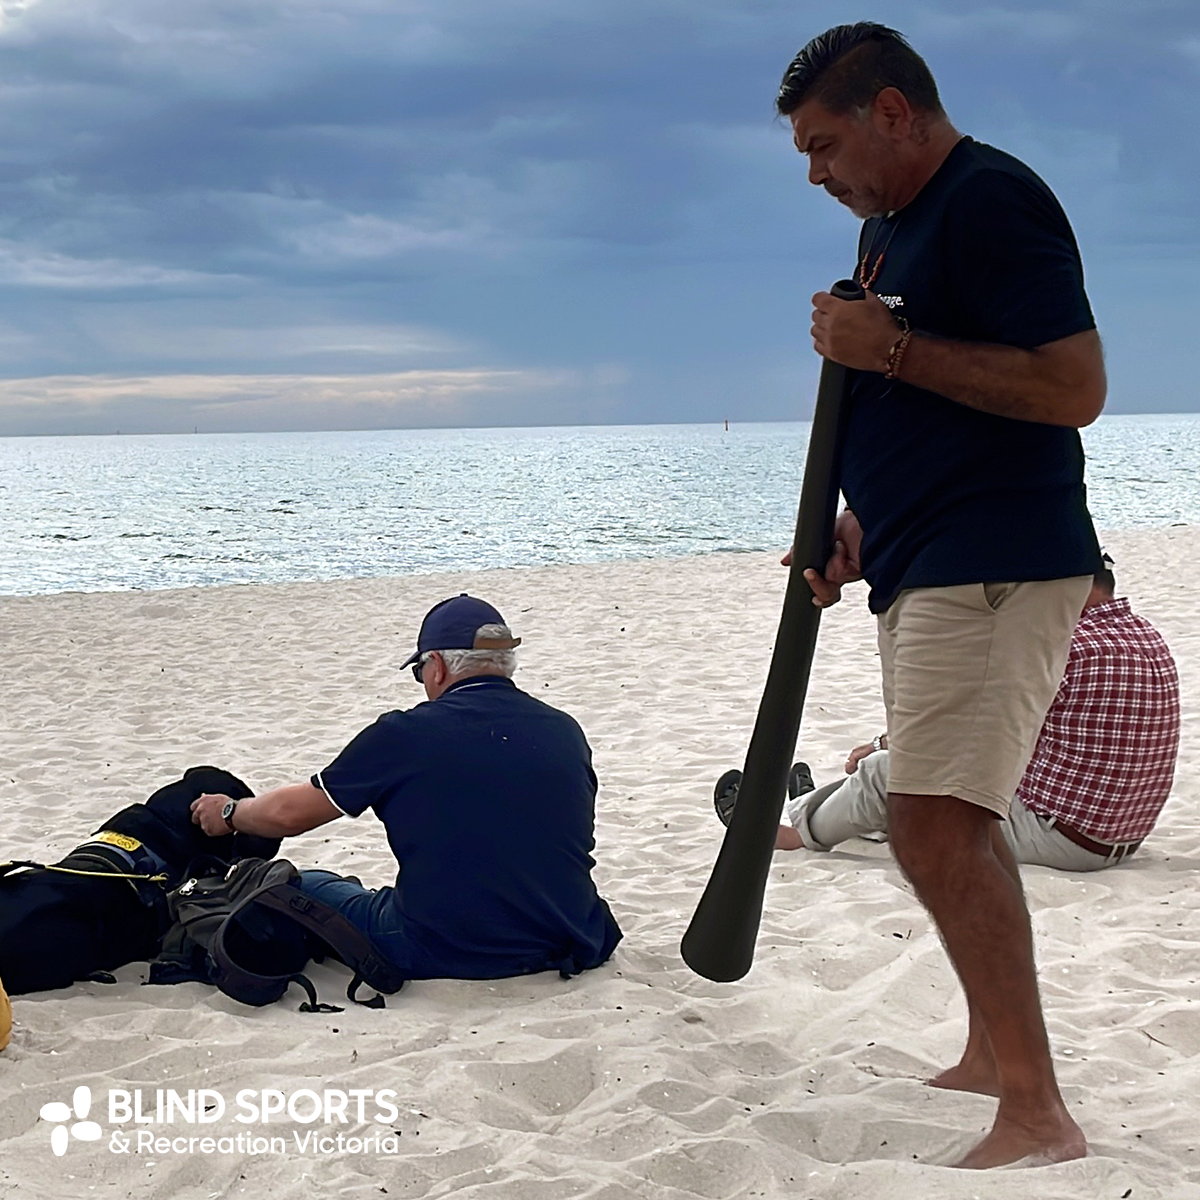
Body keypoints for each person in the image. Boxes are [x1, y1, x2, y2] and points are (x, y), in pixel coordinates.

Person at [776, 23, 1106, 1167]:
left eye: (824, 145)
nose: (816, 173)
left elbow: (1075, 388)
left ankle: (1036, 1110)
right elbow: (926, 422)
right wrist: (860, 529)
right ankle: (990, 1057)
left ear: (893, 113)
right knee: (947, 825)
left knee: (931, 824)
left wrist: (894, 351)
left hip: (999, 563)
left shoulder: (991, 201)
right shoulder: (889, 229)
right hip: (929, 560)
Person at [191, 594, 622, 983]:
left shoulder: (407, 734)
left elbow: (291, 815)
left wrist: (230, 814)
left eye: (419, 672)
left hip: (446, 948)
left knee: (308, 886)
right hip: (567, 936)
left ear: (435, 665)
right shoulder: (565, 730)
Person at [763, 563, 1180, 867]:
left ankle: (800, 834)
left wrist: (879, 746)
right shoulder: (1146, 636)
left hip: (1064, 840)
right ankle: (816, 804)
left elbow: (959, 730)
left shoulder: (1061, 646)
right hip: (1122, 835)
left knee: (885, 774)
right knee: (921, 787)